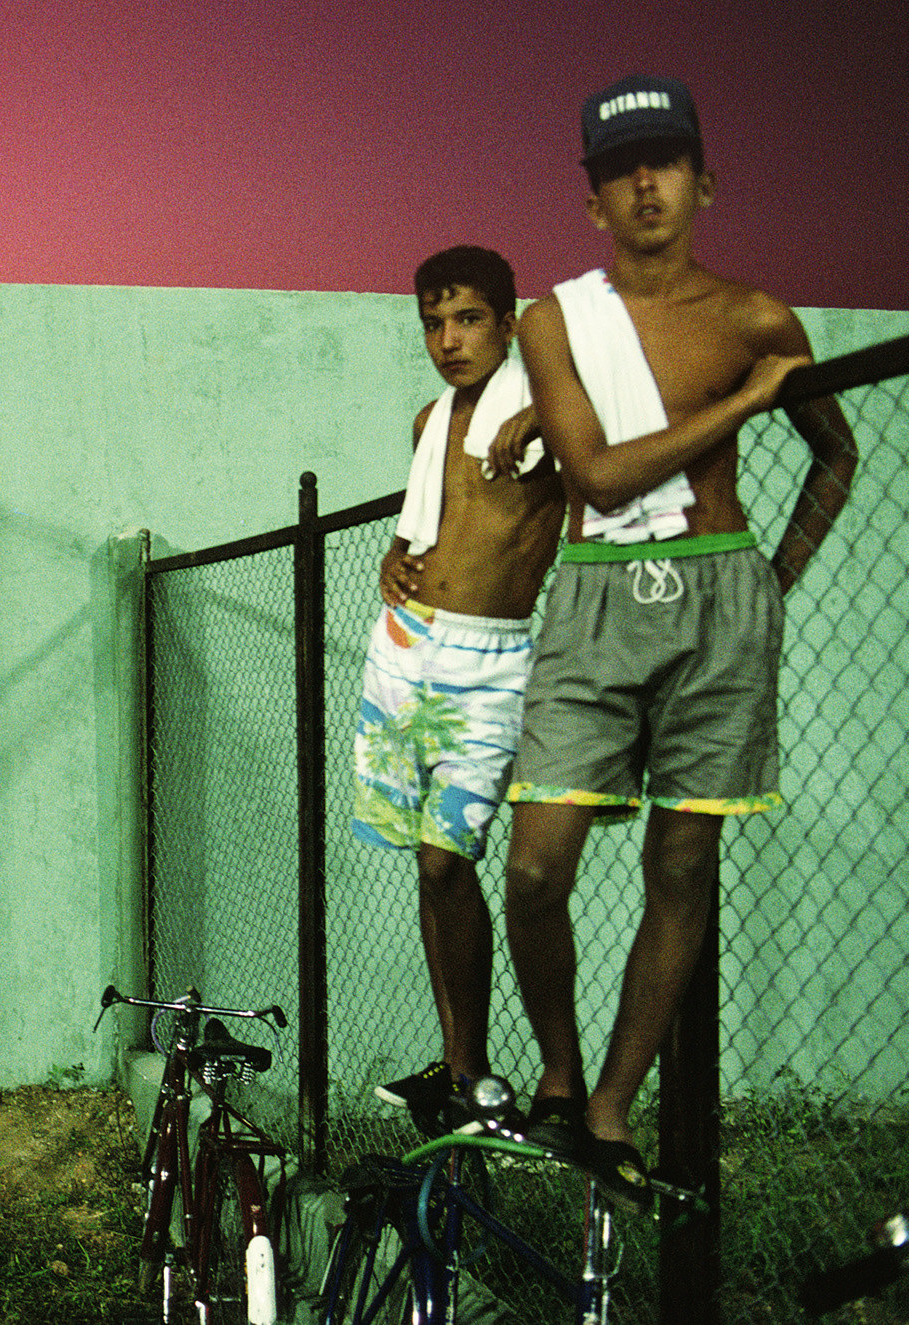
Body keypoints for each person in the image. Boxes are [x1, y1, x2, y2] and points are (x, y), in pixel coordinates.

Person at [502, 75, 857, 1205]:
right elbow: (597, 477)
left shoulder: (758, 319)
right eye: (618, 168)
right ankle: (556, 1070)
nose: (643, 182)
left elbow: (833, 453)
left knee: (682, 859)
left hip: (720, 599)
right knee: (534, 859)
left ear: (702, 179)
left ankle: (610, 1103)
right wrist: (742, 403)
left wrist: (772, 579)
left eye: (662, 160)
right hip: (597, 594)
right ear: (591, 199)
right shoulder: (552, 321)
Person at [351, 246, 565, 1135]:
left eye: (468, 318)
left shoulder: (552, 406)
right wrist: (396, 556)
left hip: (491, 663)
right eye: (433, 324)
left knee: (450, 855)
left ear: (509, 323)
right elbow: (426, 525)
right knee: (423, 862)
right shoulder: (428, 419)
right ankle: (460, 1064)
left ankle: (527, 1072)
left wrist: (553, 404)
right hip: (406, 651)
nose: (448, 339)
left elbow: (618, 407)